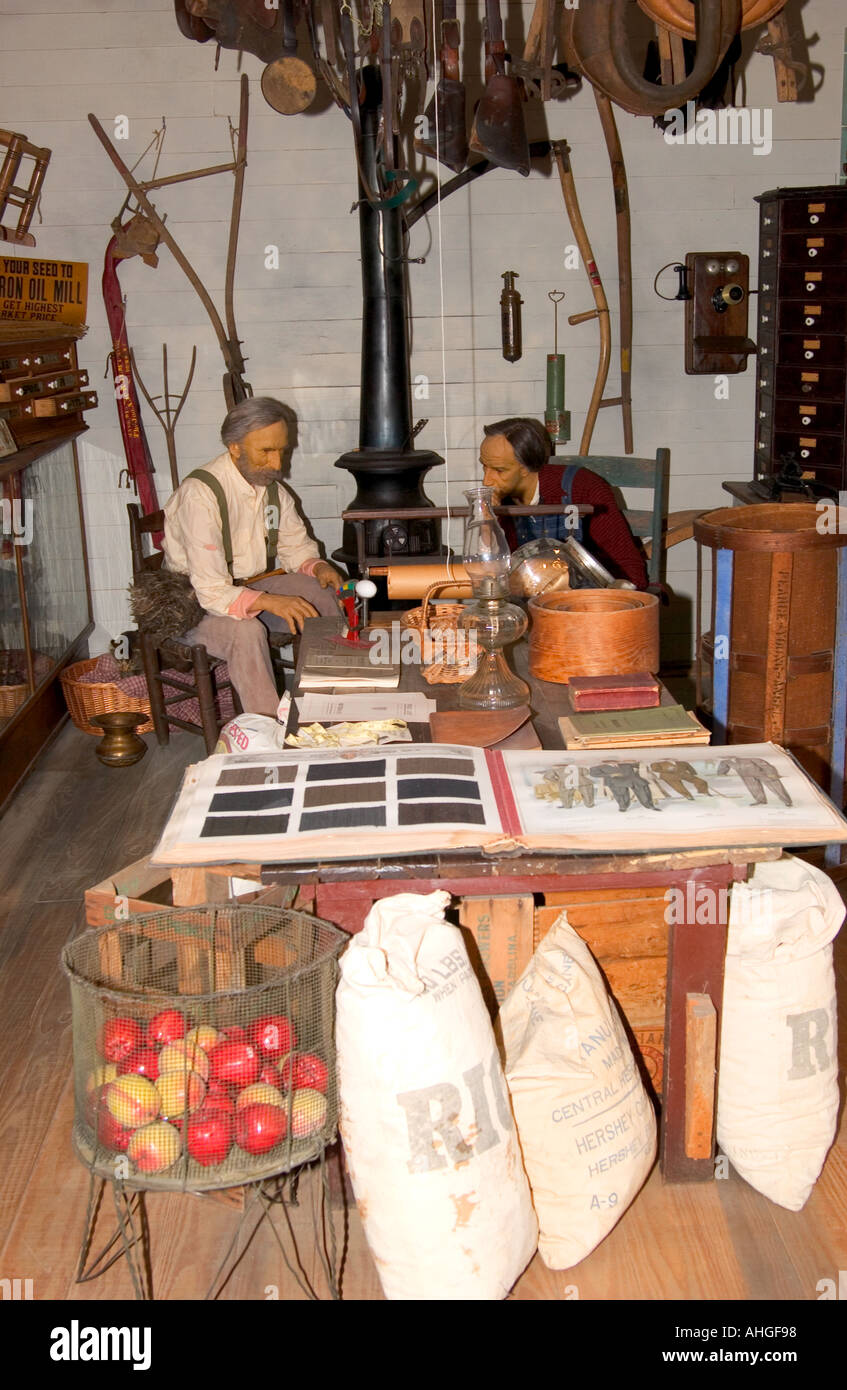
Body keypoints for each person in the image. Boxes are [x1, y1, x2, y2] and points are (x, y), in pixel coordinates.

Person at [162, 397, 342, 716]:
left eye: (281, 451)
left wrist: (319, 566)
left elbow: (295, 548)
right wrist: (270, 602)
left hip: (249, 588)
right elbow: (211, 591)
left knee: (320, 593)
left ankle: (331, 697)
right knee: (248, 630)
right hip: (193, 607)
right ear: (235, 447)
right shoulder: (200, 495)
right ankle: (267, 725)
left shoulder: (272, 492)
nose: (277, 464)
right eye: (266, 452)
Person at [479, 416, 648, 587]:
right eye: (484, 466)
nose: (486, 480)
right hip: (532, 601)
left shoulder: (583, 488)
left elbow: (630, 571)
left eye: (499, 470)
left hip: (591, 599)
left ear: (524, 468)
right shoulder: (501, 503)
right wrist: (487, 521)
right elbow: (493, 573)